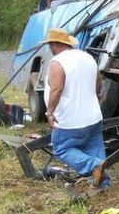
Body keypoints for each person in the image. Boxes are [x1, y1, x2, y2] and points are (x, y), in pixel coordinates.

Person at [42, 28, 111, 195]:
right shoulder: (87, 58)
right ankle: (102, 183)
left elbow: (57, 88)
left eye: (50, 45)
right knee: (94, 148)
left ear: (54, 44)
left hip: (68, 119)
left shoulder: (57, 62)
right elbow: (98, 82)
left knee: (62, 149)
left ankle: (94, 167)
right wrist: (96, 96)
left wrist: (49, 112)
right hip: (92, 116)